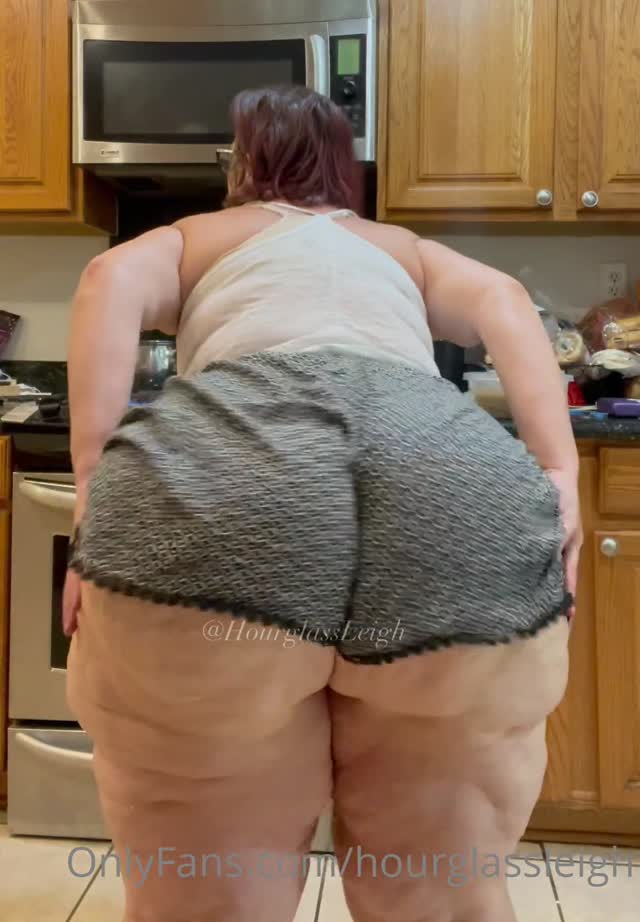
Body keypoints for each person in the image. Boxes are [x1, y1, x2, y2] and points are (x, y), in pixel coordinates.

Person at [65, 86, 580, 922]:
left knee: (206, 881)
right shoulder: (402, 249)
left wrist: (96, 486)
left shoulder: (199, 236)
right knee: (441, 880)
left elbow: (107, 276)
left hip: (224, 481)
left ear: (241, 163)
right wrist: (560, 472)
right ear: (348, 169)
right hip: (445, 481)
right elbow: (505, 301)